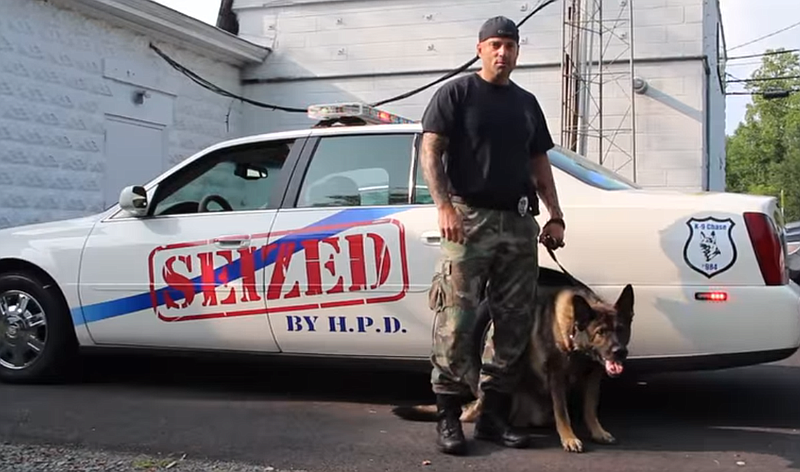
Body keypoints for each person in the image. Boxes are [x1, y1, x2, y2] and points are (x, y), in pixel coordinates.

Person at [419, 15, 566, 455]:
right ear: (481, 48)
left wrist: (555, 215)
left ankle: (494, 417)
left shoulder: (526, 104)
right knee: (457, 319)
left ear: (519, 53)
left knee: (515, 323)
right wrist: (444, 205)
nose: (504, 53)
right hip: (468, 219)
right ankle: (448, 416)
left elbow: (539, 163)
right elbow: (430, 148)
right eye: (496, 44)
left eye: (511, 46)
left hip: (519, 222)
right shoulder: (457, 93)